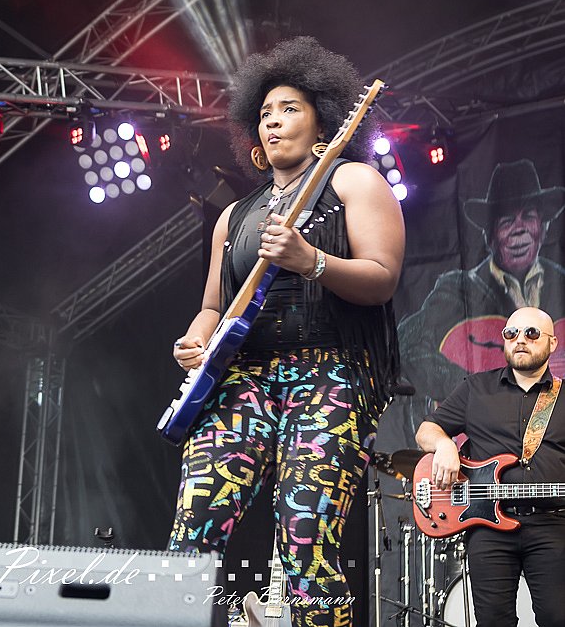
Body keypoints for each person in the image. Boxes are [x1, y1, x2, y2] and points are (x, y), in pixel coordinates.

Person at [169, 37, 404, 627]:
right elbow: (213, 306)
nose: (273, 121)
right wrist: (195, 340)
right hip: (243, 378)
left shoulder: (355, 182)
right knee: (194, 525)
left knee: (306, 536)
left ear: (323, 119)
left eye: (289, 108)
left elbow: (382, 278)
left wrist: (311, 261)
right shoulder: (234, 216)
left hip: (332, 376)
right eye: (265, 112)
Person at [415, 306, 565, 627]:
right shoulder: (476, 388)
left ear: (552, 343)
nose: (520, 340)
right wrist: (444, 445)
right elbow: (426, 430)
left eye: (531, 333)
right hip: (487, 528)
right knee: (493, 620)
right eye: (511, 334)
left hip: (552, 524)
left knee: (558, 616)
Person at [398, 159, 565, 401]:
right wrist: (477, 395)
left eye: (528, 217)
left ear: (543, 228)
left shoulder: (560, 280)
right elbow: (408, 344)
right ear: (490, 236)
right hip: (486, 420)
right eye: (507, 222)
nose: (520, 229)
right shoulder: (458, 290)